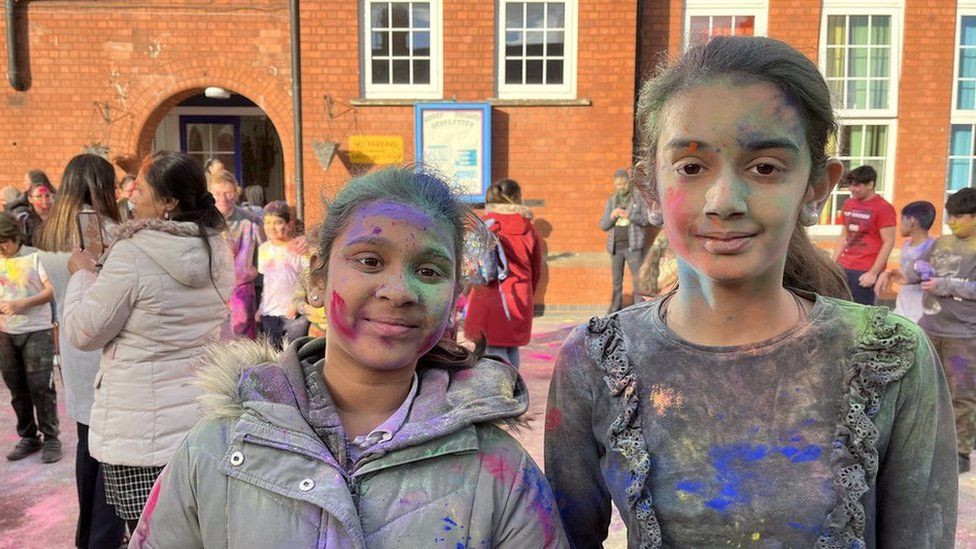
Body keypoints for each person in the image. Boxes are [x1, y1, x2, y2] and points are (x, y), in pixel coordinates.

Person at [545, 36, 957, 548]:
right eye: (691, 168)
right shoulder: (597, 360)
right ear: (650, 187)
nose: (724, 202)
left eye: (765, 168)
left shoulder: (891, 356)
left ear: (817, 187)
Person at [129, 166, 568, 548]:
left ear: (455, 296)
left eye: (430, 271)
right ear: (318, 275)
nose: (399, 291)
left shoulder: (502, 476)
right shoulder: (219, 449)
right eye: (370, 261)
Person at [62, 151, 234, 531]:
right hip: (198, 422)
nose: (131, 197)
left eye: (140, 189)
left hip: (138, 436)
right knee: (192, 532)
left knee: (146, 533)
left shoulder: (132, 252)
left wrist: (83, 275)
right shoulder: (218, 248)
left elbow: (82, 332)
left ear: (168, 202)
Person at [34, 153, 127, 548]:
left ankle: (90, 535)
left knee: (89, 447)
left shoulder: (51, 230)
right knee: (107, 455)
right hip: (102, 347)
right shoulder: (97, 229)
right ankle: (100, 537)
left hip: (72, 347)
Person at [891, 188, 976, 474]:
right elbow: (923, 270)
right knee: (925, 389)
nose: (953, 222)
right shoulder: (941, 242)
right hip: (930, 325)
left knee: (961, 394)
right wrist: (905, 275)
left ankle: (960, 452)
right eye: (951, 216)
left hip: (963, 333)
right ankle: (927, 443)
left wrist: (944, 286)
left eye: (960, 217)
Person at [463, 179, 542, 368]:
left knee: (492, 351)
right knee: (511, 347)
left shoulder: (486, 225)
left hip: (490, 294)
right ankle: (515, 389)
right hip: (519, 293)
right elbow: (536, 268)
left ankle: (502, 392)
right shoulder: (529, 228)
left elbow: (472, 264)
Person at [0, 211, 59, 465]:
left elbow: (51, 290)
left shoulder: (34, 256)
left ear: (14, 237)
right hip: (6, 332)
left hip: (36, 329)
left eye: (3, 242)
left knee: (40, 387)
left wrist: (24, 303)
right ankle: (28, 436)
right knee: (16, 388)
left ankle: (51, 437)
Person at [210, 170, 264, 340]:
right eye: (217, 194)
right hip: (212, 288)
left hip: (241, 288)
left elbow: (269, 249)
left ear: (236, 193)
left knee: (243, 338)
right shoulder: (203, 222)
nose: (223, 198)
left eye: (228, 193)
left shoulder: (251, 221)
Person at [831, 166, 897, 305]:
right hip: (844, 266)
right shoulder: (848, 204)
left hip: (864, 270)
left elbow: (889, 242)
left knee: (862, 315)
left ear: (870, 185)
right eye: (850, 184)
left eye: (857, 185)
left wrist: (873, 273)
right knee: (840, 309)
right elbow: (844, 236)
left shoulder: (884, 208)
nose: (852, 189)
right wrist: (832, 263)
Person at [257, 201, 309, 349]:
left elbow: (307, 278)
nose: (271, 227)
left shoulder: (298, 248)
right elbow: (267, 283)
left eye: (277, 222)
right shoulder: (263, 249)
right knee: (273, 355)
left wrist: (296, 304)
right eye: (267, 222)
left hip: (294, 314)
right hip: (269, 314)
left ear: (289, 223)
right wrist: (261, 308)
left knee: (294, 354)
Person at [875, 200, 936, 322]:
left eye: (902, 219)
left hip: (920, 310)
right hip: (903, 306)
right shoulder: (907, 245)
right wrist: (888, 274)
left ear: (912, 221)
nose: (900, 224)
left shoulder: (932, 248)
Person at [601, 168, 651, 313]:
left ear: (628, 183)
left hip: (633, 246)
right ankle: (615, 309)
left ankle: (638, 309)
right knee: (617, 281)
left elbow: (646, 220)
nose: (621, 187)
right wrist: (612, 216)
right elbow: (603, 225)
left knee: (637, 280)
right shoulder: (611, 201)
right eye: (618, 184)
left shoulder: (637, 199)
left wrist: (630, 216)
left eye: (623, 183)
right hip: (616, 247)